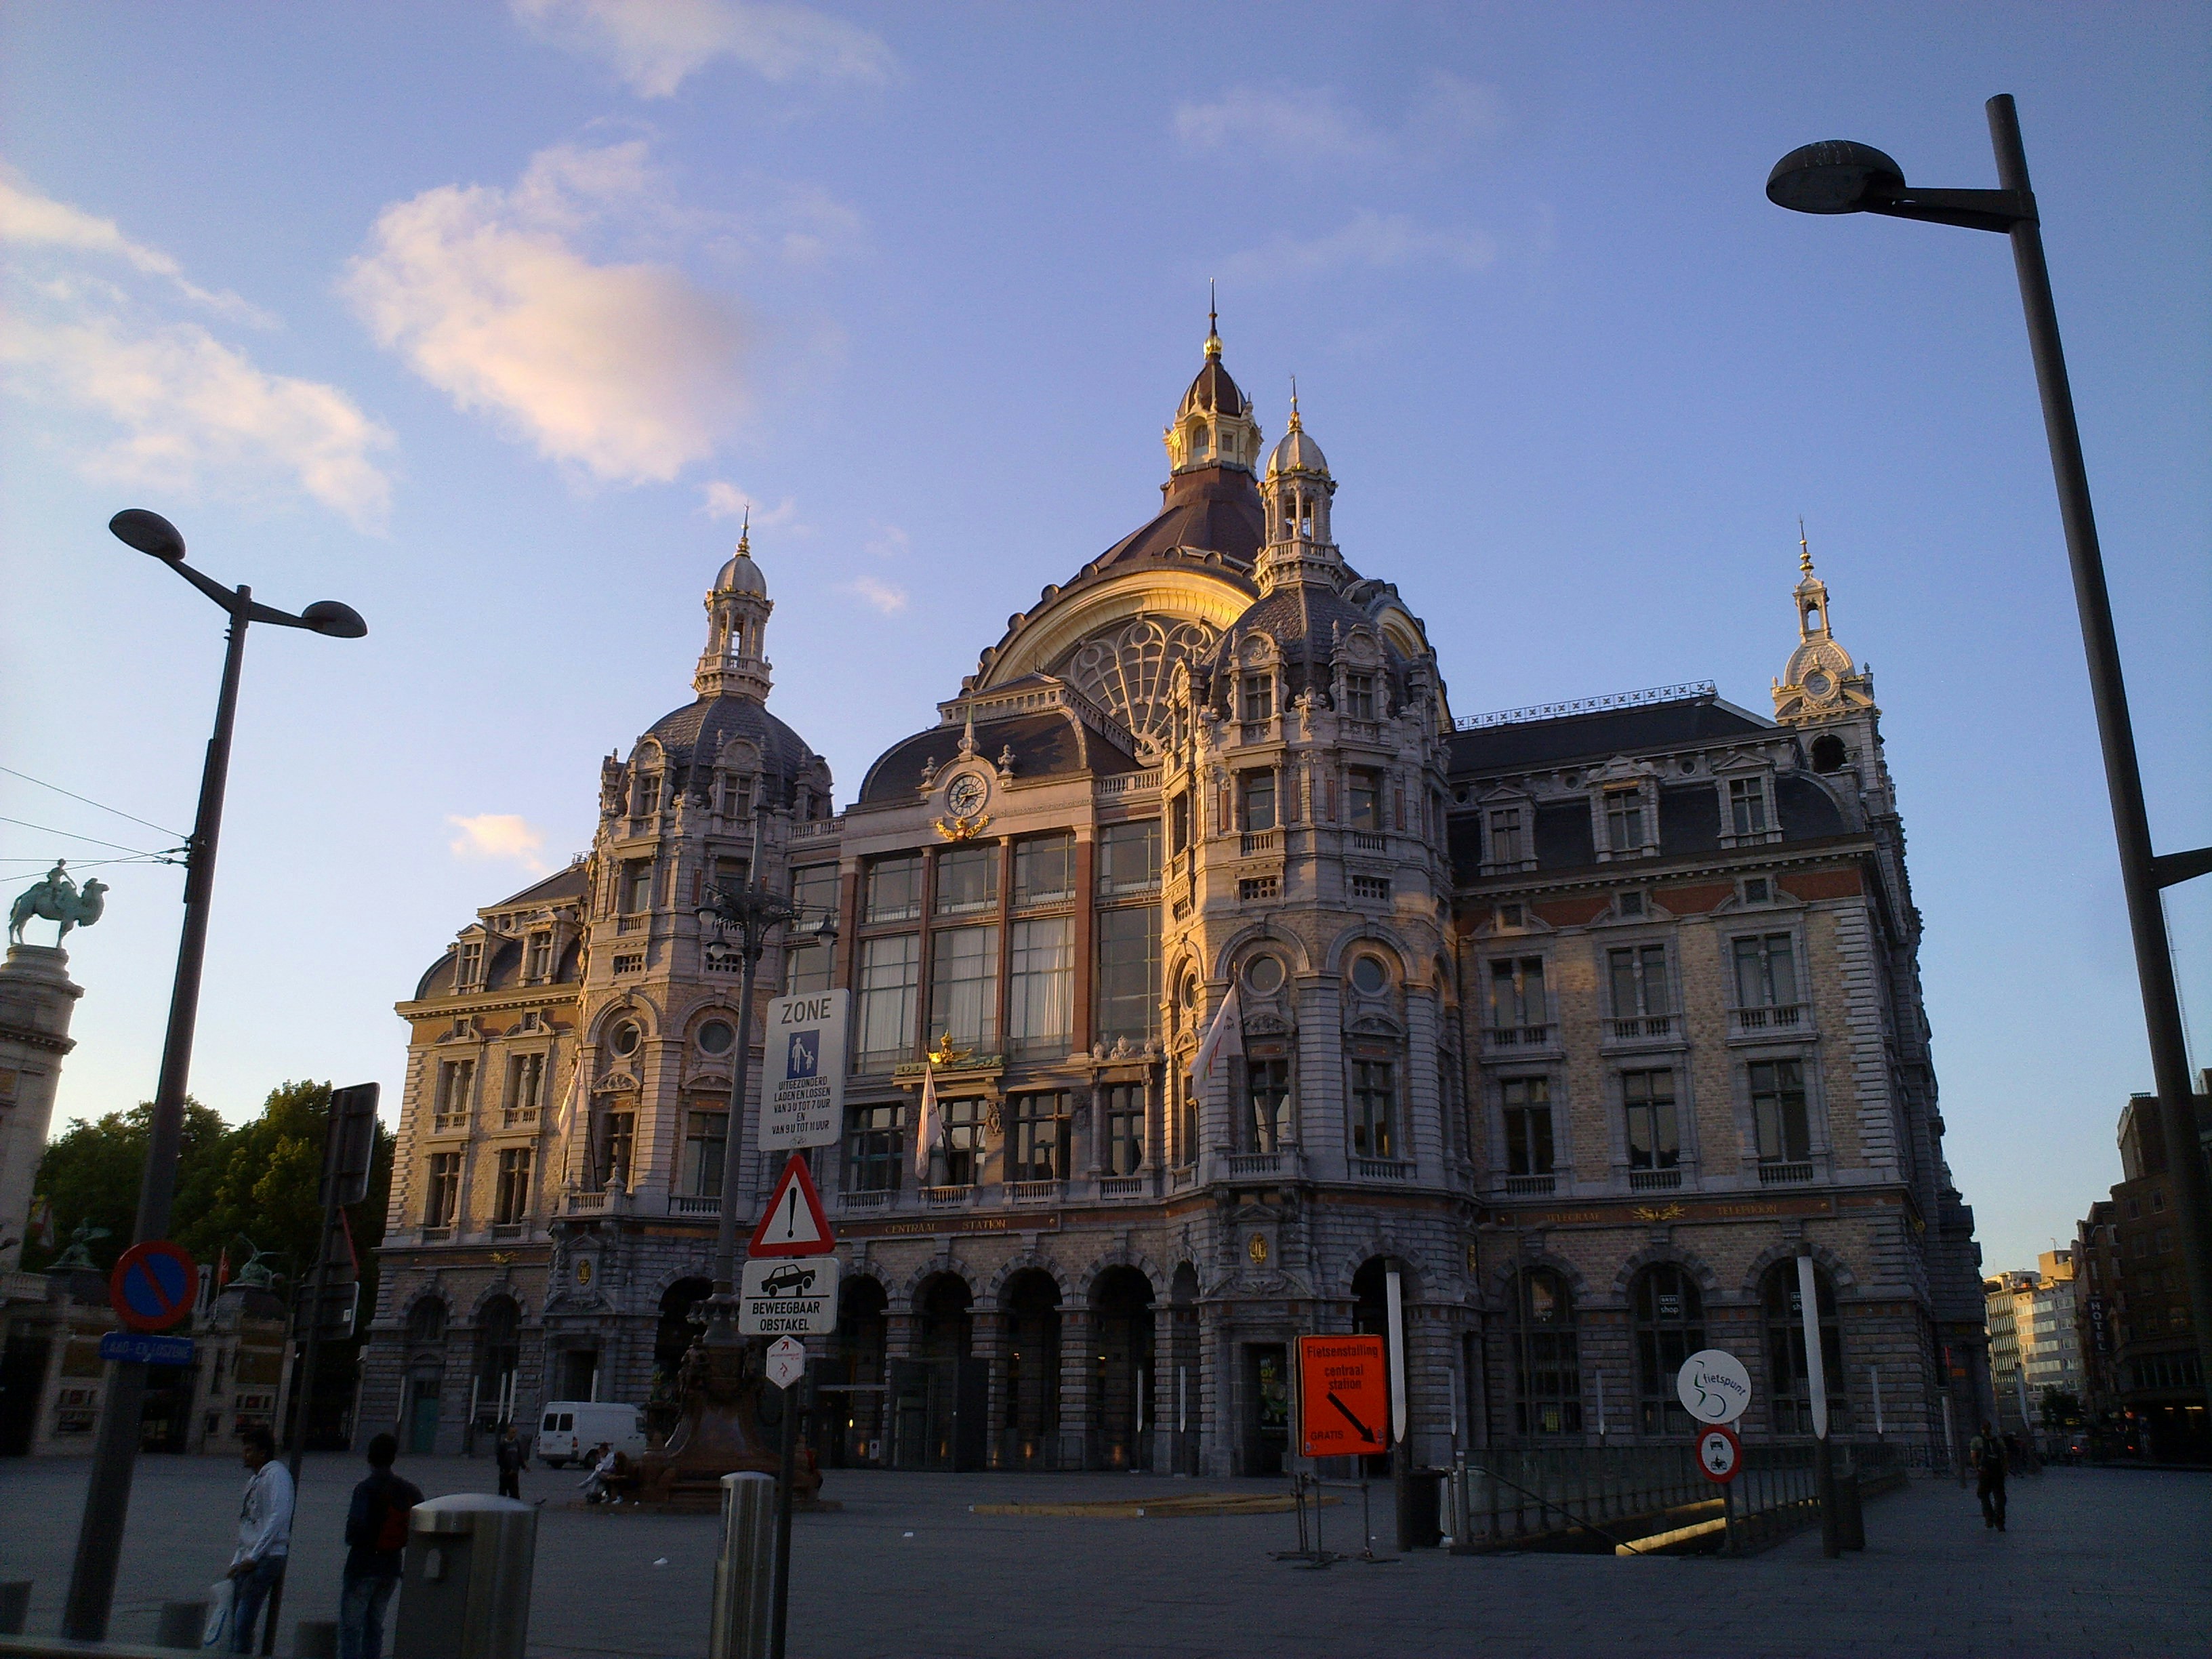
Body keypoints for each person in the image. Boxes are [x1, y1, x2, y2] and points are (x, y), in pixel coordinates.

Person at [340, 1433, 422, 1659]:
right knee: (375, 1625)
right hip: (391, 1566)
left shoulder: (365, 1489)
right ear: (393, 1458)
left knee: (351, 1627)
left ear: (369, 1457)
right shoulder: (407, 1489)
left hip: (363, 1565)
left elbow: (354, 1530)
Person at [227, 1426, 294, 1654]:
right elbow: (247, 1522)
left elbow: (278, 1517)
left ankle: (241, 1652)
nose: (245, 1455)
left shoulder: (276, 1476)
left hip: (267, 1556)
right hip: (252, 1556)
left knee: (243, 1618)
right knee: (238, 1618)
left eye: (249, 1450)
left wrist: (254, 1555)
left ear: (263, 1453)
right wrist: (237, 1560)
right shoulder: (256, 1479)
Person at [1969, 1419, 2008, 1532]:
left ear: (1981, 1429)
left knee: (1983, 1494)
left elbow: (1973, 1456)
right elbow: (2005, 1456)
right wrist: (2005, 1469)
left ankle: (1989, 1518)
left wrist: (1977, 1468)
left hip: (1984, 1471)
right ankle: (2000, 1520)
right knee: (2000, 1496)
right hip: (1997, 1471)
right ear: (1991, 1428)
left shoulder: (1976, 1440)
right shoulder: (1998, 1440)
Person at [495, 1423, 527, 1500]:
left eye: (515, 1432)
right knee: (503, 1493)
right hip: (505, 1473)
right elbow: (500, 1460)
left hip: (514, 1473)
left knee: (515, 1494)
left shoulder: (517, 1443)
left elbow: (519, 1457)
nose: (514, 1434)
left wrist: (524, 1466)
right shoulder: (503, 1444)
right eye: (512, 1432)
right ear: (508, 1433)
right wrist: (507, 1469)